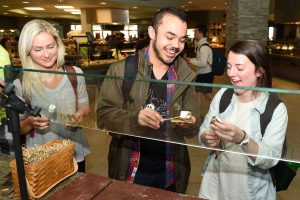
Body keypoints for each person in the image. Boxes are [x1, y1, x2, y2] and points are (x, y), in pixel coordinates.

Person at [97, 7, 201, 193]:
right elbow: (103, 116)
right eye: (169, 37)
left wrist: (190, 123)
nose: (176, 45)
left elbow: (194, 122)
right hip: (131, 172)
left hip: (171, 172)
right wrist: (134, 119)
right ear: (152, 32)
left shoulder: (185, 75)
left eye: (182, 39)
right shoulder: (121, 70)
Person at [198, 40, 288, 200]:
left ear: (259, 71)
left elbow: (270, 159)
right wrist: (207, 137)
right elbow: (203, 130)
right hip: (214, 189)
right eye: (229, 67)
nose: (231, 74)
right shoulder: (223, 96)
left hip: (251, 193)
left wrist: (242, 139)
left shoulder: (275, 109)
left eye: (239, 68)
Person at [13, 19, 90, 172]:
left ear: (58, 45)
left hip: (74, 152)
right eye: (38, 49)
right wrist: (30, 122)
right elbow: (17, 128)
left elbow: (84, 106)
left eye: (50, 47)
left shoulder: (75, 74)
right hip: (40, 157)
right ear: (27, 51)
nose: (47, 54)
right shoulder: (21, 84)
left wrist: (78, 115)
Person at [184, 25, 213, 115]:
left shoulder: (204, 47)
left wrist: (190, 60)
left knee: (204, 95)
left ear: (200, 33)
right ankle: (199, 115)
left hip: (205, 74)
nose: (194, 34)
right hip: (203, 74)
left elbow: (203, 63)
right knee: (201, 94)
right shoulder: (201, 45)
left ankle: (199, 115)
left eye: (195, 32)